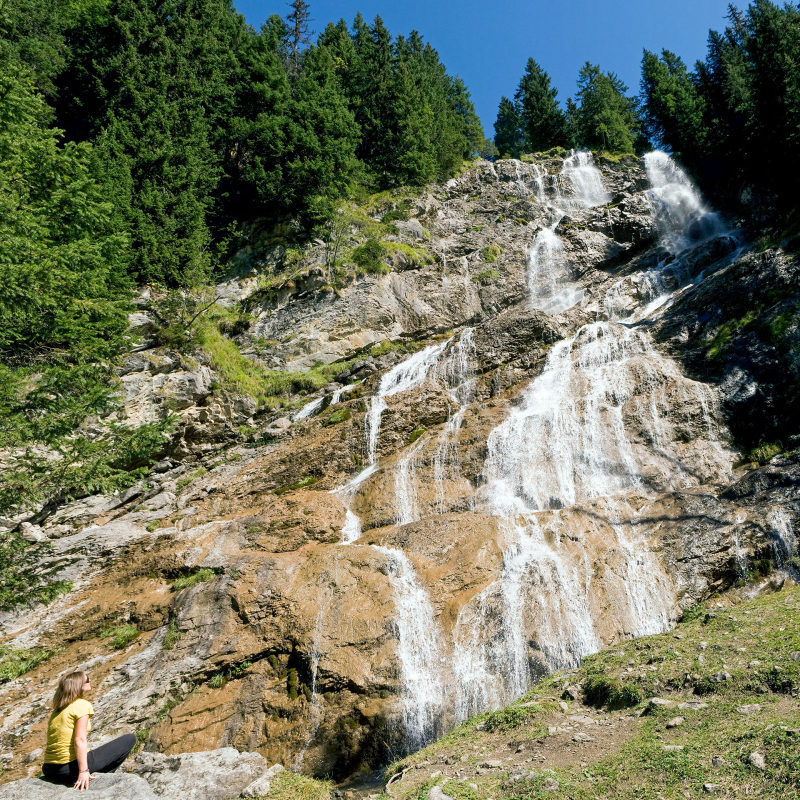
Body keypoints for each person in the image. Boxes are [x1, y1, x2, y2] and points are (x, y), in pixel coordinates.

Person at [42, 670, 136, 792]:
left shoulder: (58, 709)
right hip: (69, 769)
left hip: (49, 769)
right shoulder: (81, 705)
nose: (90, 681)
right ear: (80, 686)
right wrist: (83, 771)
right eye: (87, 679)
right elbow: (79, 740)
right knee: (129, 739)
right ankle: (98, 778)